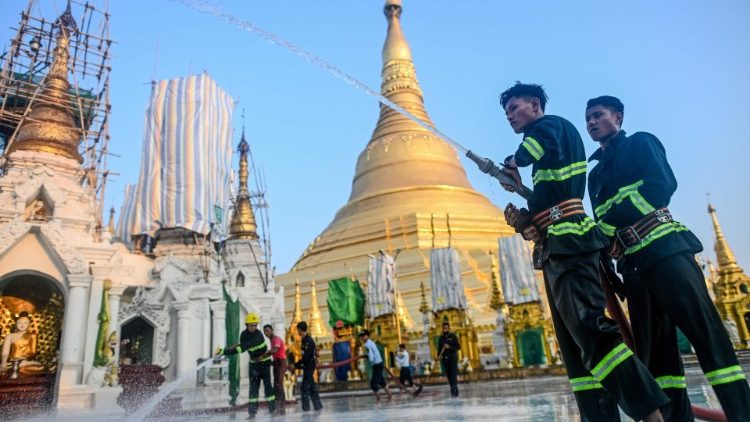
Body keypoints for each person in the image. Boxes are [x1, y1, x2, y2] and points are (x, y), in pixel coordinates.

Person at [498, 82, 668, 422]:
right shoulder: (549, 153)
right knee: (576, 347)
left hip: (570, 241)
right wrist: (526, 214)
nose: (510, 117)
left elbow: (532, 150)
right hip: (553, 245)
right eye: (506, 113)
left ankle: (651, 413)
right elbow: (547, 197)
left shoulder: (551, 126)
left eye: (514, 108)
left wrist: (511, 161)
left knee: (590, 329)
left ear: (535, 104)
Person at [585, 95, 750, 421]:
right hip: (633, 268)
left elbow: (661, 186)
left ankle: (742, 413)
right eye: (587, 118)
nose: (591, 122)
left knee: (708, 338)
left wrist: (609, 223)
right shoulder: (594, 176)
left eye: (598, 115)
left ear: (617, 117)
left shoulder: (641, 144)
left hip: (666, 252)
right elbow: (601, 228)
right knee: (657, 359)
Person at [216, 312, 275, 419]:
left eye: (256, 325)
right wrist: (227, 349)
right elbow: (241, 345)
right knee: (253, 389)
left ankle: (272, 410)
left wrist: (224, 351)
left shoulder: (259, 335)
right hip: (253, 364)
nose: (255, 327)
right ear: (247, 325)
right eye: (252, 325)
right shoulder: (243, 334)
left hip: (264, 363)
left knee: (268, 387)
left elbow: (242, 348)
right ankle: (252, 413)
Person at [0, 312, 45, 376]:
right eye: (19, 323)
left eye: (25, 323)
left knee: (41, 367)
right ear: (15, 324)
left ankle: (18, 367)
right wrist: (3, 362)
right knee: (4, 367)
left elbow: (33, 352)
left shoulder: (32, 335)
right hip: (12, 361)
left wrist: (23, 359)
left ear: (29, 324)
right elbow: (5, 352)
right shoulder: (9, 336)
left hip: (25, 362)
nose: (22, 325)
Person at [292, 321, 322, 412]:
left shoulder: (308, 341)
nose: (298, 332)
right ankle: (317, 405)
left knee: (304, 387)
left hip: (309, 365)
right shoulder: (305, 340)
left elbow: (307, 356)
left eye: (298, 330)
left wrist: (296, 364)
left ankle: (306, 408)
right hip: (307, 365)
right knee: (311, 386)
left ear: (300, 330)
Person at [358, 329, 392, 401]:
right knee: (381, 381)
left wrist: (368, 358)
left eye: (363, 336)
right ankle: (389, 395)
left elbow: (371, 357)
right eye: (361, 336)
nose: (362, 338)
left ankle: (378, 398)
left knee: (373, 384)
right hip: (378, 364)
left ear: (367, 336)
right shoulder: (371, 343)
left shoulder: (368, 344)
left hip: (376, 365)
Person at [262, 324, 287, 415]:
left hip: (281, 363)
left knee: (279, 385)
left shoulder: (276, 339)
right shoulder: (271, 340)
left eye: (268, 331)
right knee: (277, 386)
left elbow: (275, 350)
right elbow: (274, 353)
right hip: (276, 363)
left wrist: (264, 354)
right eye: (265, 331)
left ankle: (281, 409)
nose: (266, 333)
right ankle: (280, 409)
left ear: (272, 330)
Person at [437, 322, 460, 397]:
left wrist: (449, 347)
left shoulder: (453, 336)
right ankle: (452, 387)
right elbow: (439, 348)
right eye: (443, 328)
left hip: (452, 358)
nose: (445, 329)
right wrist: (438, 356)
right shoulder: (441, 338)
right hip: (445, 359)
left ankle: (454, 388)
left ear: (449, 328)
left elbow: (458, 347)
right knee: (449, 374)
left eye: (446, 328)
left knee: (453, 374)